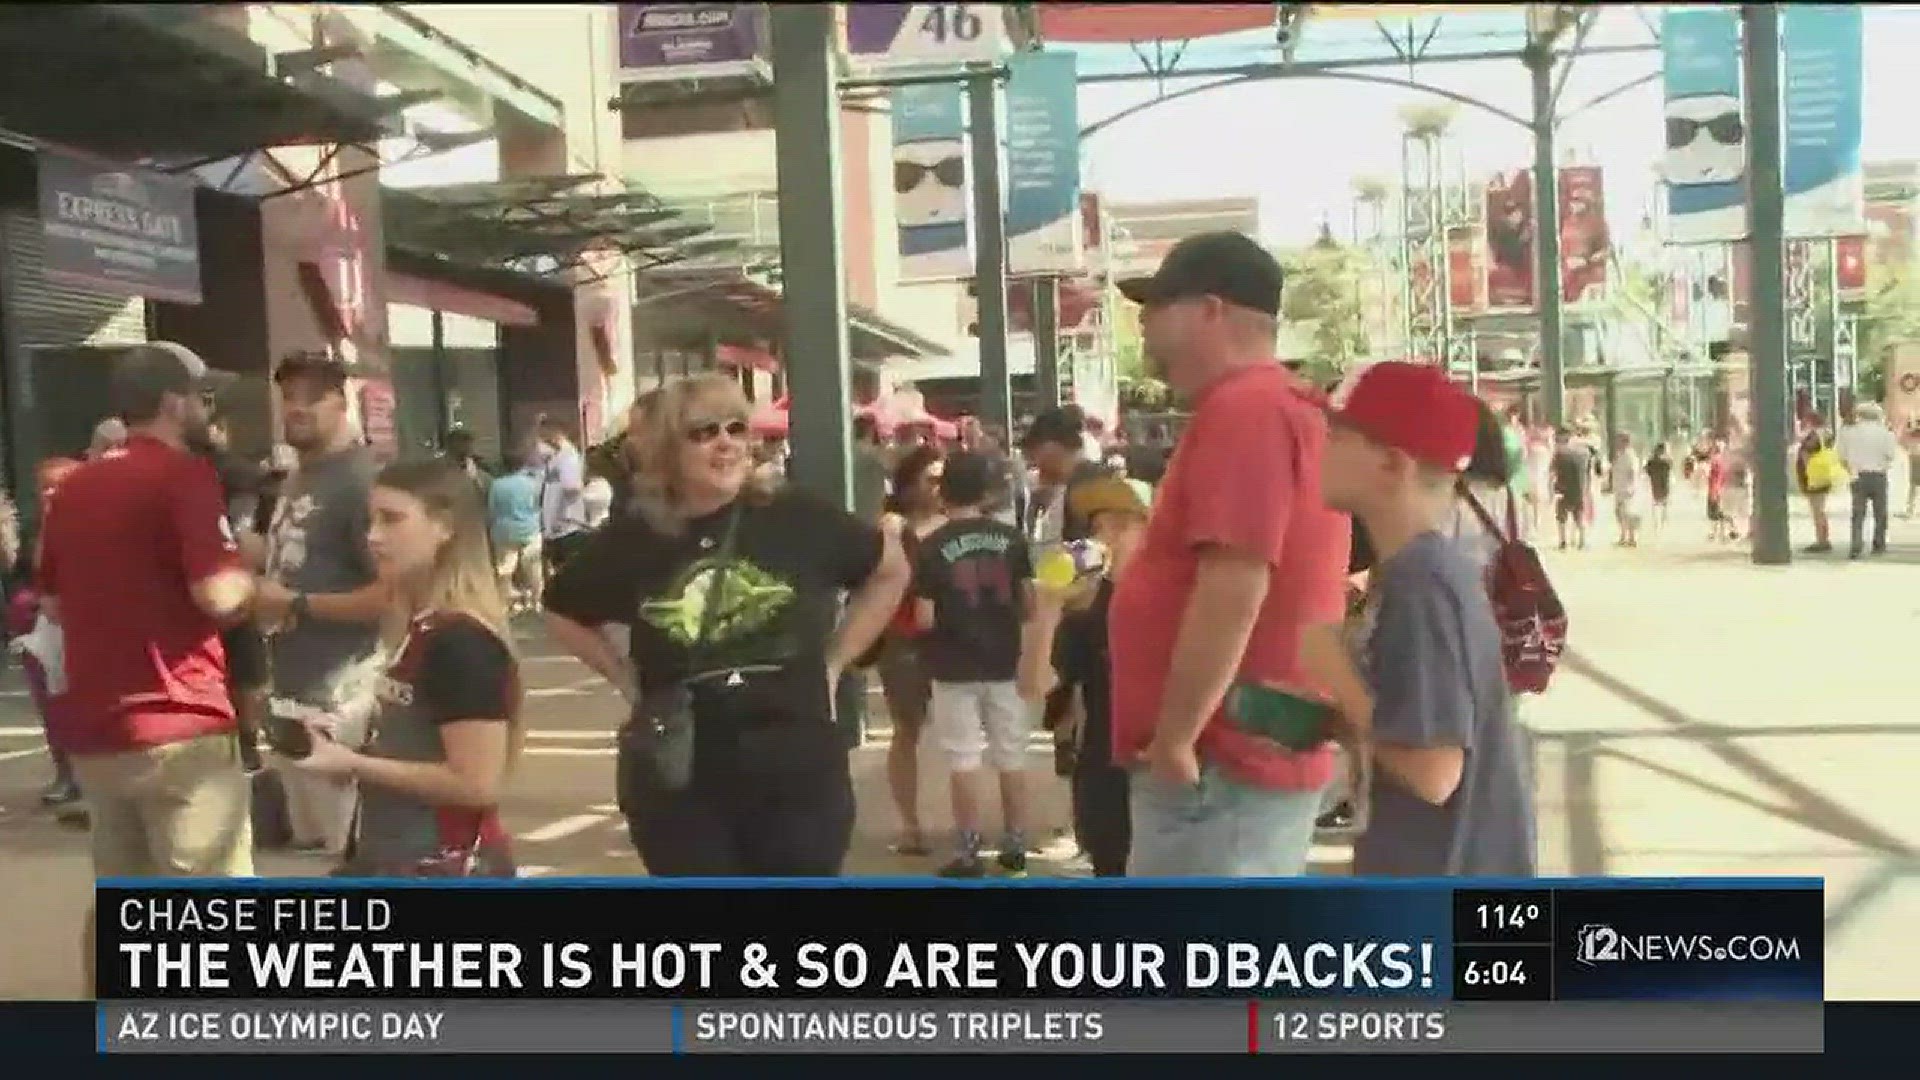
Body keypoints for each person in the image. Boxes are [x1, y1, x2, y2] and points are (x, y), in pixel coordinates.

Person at [542, 373, 909, 876]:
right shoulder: (635, 535)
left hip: (796, 760)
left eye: (736, 429)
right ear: (669, 449)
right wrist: (627, 680)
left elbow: (890, 570)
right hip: (686, 770)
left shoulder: (795, 514)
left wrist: (836, 660)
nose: (726, 443)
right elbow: (562, 608)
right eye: (704, 432)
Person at [1110, 231, 1350, 877]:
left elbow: (1234, 586)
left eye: (1153, 312)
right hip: (1240, 757)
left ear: (1210, 310)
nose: (1145, 336)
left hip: (1220, 766)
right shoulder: (1279, 407)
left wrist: (1176, 737)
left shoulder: (1246, 410)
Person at [38, 343, 255, 990]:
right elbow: (217, 594)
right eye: (200, 397)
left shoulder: (76, 485)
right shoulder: (183, 476)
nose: (206, 410)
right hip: (181, 719)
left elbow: (51, 598)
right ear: (172, 402)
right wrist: (253, 573)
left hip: (100, 729)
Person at [1317, 361, 1535, 877]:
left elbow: (1433, 770)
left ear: (1392, 465)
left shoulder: (1423, 582)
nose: (1319, 449)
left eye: (1336, 437)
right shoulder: (1423, 572)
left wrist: (1332, 668)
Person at [279, 460, 522, 877]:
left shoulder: (462, 641)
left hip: (441, 863)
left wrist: (353, 764)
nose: (373, 537)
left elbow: (476, 782)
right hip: (390, 854)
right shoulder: (416, 626)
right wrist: (349, 743)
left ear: (444, 527)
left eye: (392, 520)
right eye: (371, 520)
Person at [257, 350, 388, 854]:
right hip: (292, 689)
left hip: (342, 697)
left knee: (348, 855)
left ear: (342, 402)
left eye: (313, 396)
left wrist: (295, 603)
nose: (297, 407)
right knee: (314, 849)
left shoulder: (360, 481)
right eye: (289, 396)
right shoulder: (298, 476)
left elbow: (390, 594)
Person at [1019, 475, 1152, 878]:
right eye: (1099, 525)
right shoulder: (1085, 612)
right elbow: (1034, 685)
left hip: (1166, 774)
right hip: (1105, 776)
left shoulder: (1180, 599)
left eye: (1123, 522)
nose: (1107, 535)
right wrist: (1047, 608)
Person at [911, 452, 1036, 878]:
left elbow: (924, 617)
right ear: (986, 493)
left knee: (963, 759)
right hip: (1005, 660)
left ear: (943, 492)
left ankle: (968, 852)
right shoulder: (1013, 539)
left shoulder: (931, 546)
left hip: (952, 666)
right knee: (1011, 755)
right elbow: (1029, 605)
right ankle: (1016, 846)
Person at [876, 445, 946, 857]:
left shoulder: (958, 522)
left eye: (943, 479)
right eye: (930, 479)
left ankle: (962, 821)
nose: (938, 488)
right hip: (904, 636)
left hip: (951, 636)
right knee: (907, 727)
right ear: (908, 484)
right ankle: (910, 824)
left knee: (963, 731)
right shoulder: (891, 526)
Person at [1020, 406, 1111, 547]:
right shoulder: (1072, 485)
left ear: (1050, 446)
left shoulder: (1087, 486)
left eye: (1036, 451)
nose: (1035, 463)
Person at [1837, 402, 1898, 559]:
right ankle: (1878, 543)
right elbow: (1891, 455)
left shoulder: (1848, 432)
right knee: (1880, 513)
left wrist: (1851, 469)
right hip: (1878, 475)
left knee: (1858, 513)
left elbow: (1842, 456)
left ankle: (1856, 545)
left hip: (1857, 476)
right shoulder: (1885, 433)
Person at [488, 448, 545, 614]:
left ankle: (506, 604)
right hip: (530, 529)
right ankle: (536, 602)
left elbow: (492, 509)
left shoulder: (497, 485)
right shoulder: (532, 483)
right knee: (533, 568)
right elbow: (537, 505)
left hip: (504, 531)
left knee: (505, 569)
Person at [536, 416, 591, 573]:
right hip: (555, 526)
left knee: (567, 569)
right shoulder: (556, 457)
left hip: (566, 525)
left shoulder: (568, 457)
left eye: (543, 436)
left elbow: (572, 488)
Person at [1795, 423, 1839, 554]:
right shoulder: (1823, 437)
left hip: (1815, 482)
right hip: (1822, 481)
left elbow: (1806, 463)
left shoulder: (1810, 444)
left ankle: (1822, 540)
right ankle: (1823, 539)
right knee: (1820, 511)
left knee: (1818, 512)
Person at [1549, 427, 1592, 551]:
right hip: (1580, 488)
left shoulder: (1560, 452)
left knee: (1561, 515)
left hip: (1564, 488)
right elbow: (1588, 472)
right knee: (1579, 515)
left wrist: (1553, 489)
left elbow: (1553, 470)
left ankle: (1563, 542)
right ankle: (1582, 541)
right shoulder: (1585, 452)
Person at [1610, 432, 1644, 548]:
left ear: (1625, 442)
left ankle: (1632, 538)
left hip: (1627, 489)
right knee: (1620, 514)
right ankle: (1624, 537)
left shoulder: (1630, 456)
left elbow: (1633, 472)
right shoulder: (1620, 455)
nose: (1616, 443)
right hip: (1620, 488)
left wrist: (1632, 487)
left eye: (1619, 441)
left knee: (1628, 514)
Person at [1645, 442, 1674, 536]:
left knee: (1657, 505)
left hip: (1656, 485)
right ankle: (1662, 525)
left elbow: (1647, 471)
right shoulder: (1666, 461)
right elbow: (1670, 468)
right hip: (1663, 485)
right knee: (1663, 505)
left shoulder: (1652, 461)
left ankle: (1658, 526)